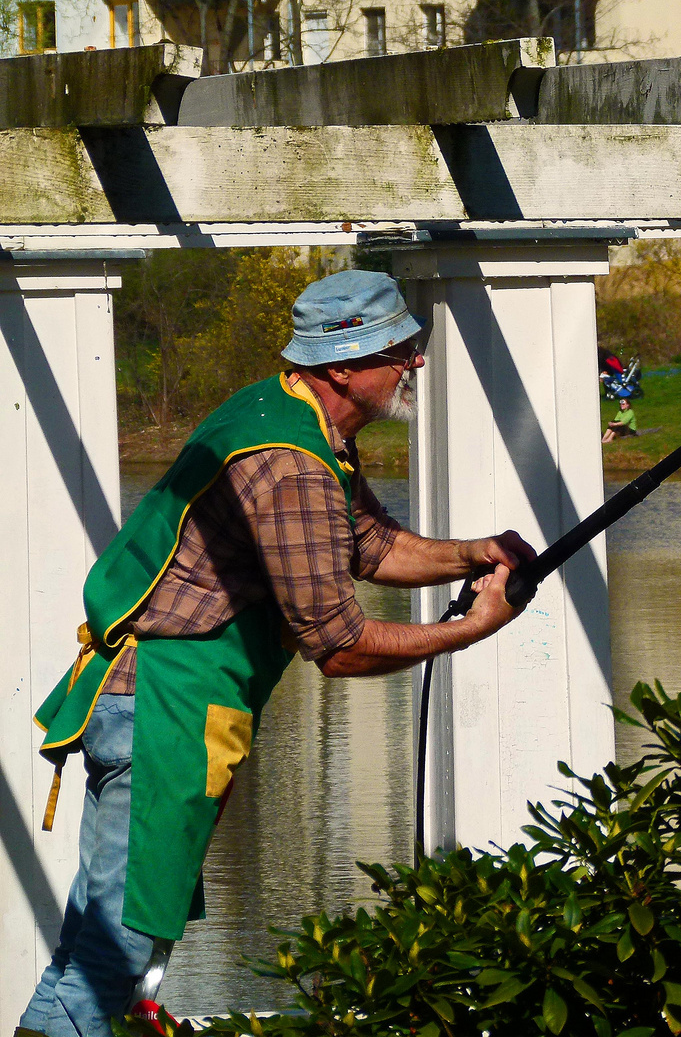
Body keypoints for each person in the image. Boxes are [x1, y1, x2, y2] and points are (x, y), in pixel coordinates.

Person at [16, 271, 536, 1037]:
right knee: (117, 950)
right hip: (167, 708)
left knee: (97, 945)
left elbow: (367, 543)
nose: (415, 363)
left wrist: (475, 555)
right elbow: (340, 645)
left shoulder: (285, 414)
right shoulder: (289, 464)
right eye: (400, 349)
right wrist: (470, 630)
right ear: (343, 367)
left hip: (148, 700)